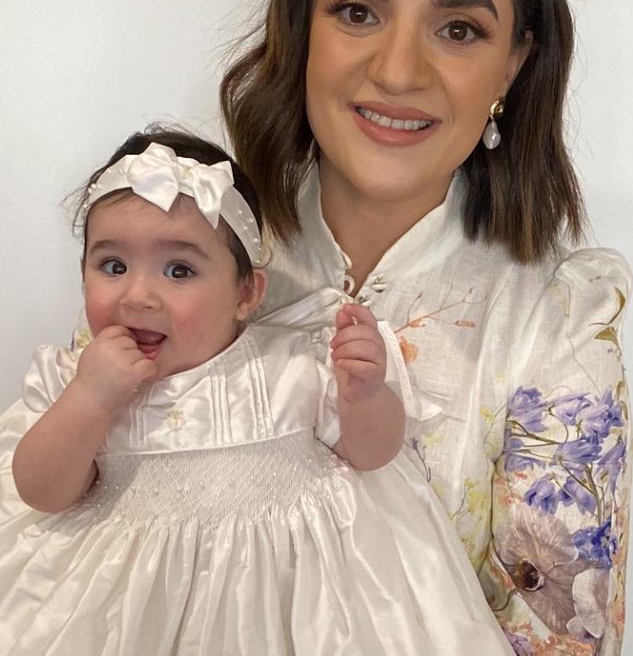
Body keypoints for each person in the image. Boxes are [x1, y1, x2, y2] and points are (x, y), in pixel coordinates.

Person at [220, 0, 631, 655]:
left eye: (457, 29)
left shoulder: (562, 321)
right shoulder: (183, 252)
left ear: (513, 64)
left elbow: (554, 640)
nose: (398, 69)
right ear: (300, 27)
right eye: (357, 12)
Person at [0, 128, 513, 655]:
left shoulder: (292, 364)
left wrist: (364, 396)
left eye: (179, 270)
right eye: (113, 266)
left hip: (289, 610)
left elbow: (372, 455)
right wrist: (89, 399)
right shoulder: (77, 381)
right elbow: (42, 492)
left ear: (246, 293)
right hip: (128, 614)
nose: (138, 296)